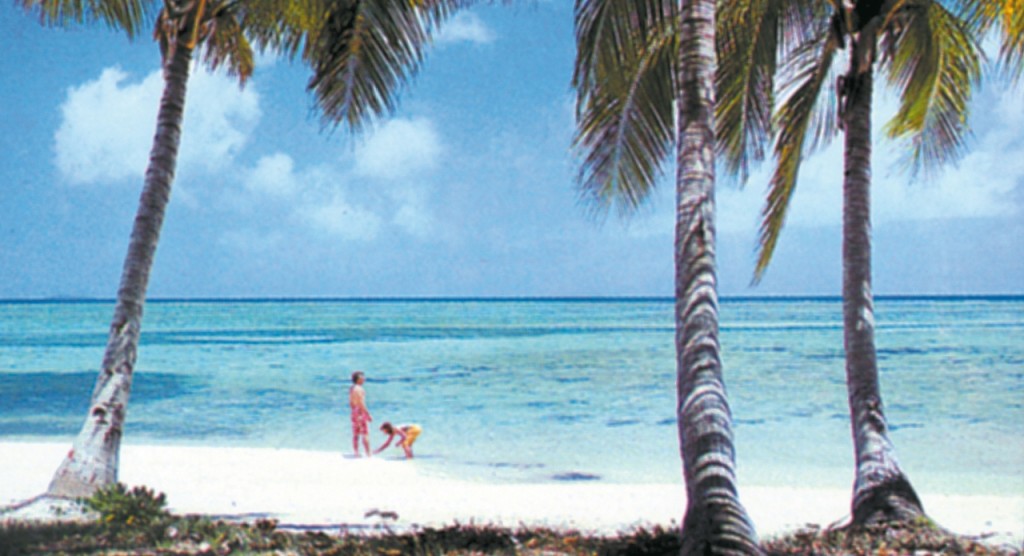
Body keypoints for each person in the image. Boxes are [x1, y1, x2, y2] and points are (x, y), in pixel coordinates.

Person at [349, 371, 372, 457]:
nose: (364, 379)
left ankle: (356, 452)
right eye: (362, 378)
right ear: (358, 379)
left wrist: (353, 410)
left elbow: (351, 402)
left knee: (356, 434)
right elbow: (361, 403)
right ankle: (368, 453)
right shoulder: (360, 389)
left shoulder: (352, 388)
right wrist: (367, 414)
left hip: (354, 411)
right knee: (365, 433)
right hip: (360, 411)